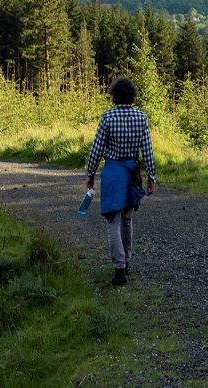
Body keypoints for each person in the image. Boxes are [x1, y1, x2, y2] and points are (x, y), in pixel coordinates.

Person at [86, 77, 156, 286]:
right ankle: (126, 261)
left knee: (113, 221)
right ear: (132, 95)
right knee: (127, 219)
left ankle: (119, 270)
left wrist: (90, 174)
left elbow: (96, 149)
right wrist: (151, 176)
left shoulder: (107, 117)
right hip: (132, 173)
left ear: (114, 95)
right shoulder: (141, 117)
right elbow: (148, 150)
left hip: (113, 173)